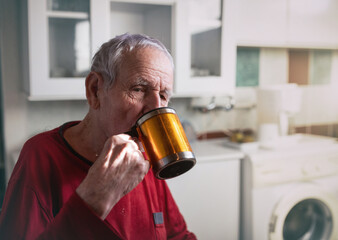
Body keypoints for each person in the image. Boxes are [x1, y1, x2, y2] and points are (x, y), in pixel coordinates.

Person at [0, 33, 196, 240]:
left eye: (163, 95)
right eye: (138, 89)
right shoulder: (41, 155)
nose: (155, 109)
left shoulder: (147, 155)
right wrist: (95, 199)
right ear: (95, 90)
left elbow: (178, 235)